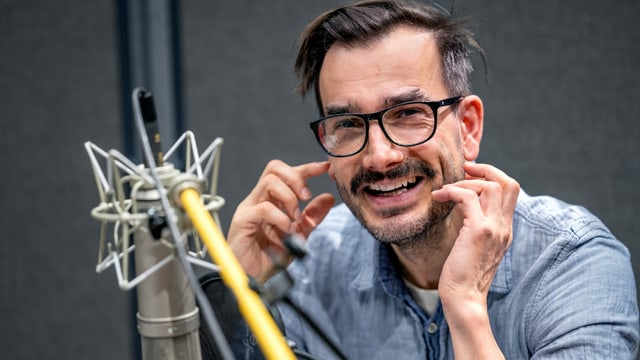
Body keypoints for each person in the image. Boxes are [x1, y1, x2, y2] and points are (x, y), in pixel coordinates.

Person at [223, 0, 639, 358]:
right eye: (348, 122)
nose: (380, 156)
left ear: (468, 128)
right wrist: (232, 291)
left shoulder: (572, 263)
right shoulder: (309, 264)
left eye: (407, 114)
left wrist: (467, 308)